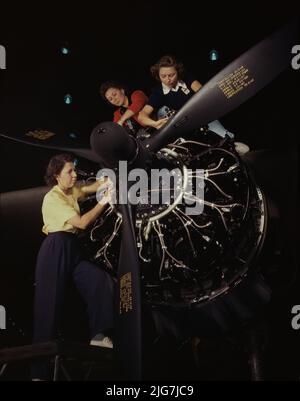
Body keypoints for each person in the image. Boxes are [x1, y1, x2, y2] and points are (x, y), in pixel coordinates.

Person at [31, 153, 115, 380]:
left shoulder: (72, 191)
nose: (75, 175)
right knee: (48, 308)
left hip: (72, 248)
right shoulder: (53, 198)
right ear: (57, 175)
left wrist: (112, 178)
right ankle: (38, 373)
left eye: (74, 170)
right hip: (55, 248)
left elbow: (94, 186)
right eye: (70, 171)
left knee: (100, 281)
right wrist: (103, 201)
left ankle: (98, 335)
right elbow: (82, 223)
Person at [138, 54, 249, 153]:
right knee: (162, 110)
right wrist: (154, 124)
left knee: (228, 140)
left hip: (199, 115)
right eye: (163, 76)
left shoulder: (187, 79)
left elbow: (202, 93)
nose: (168, 80)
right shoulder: (158, 92)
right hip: (181, 126)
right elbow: (141, 116)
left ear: (178, 72)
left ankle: (232, 147)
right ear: (158, 75)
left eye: (171, 75)